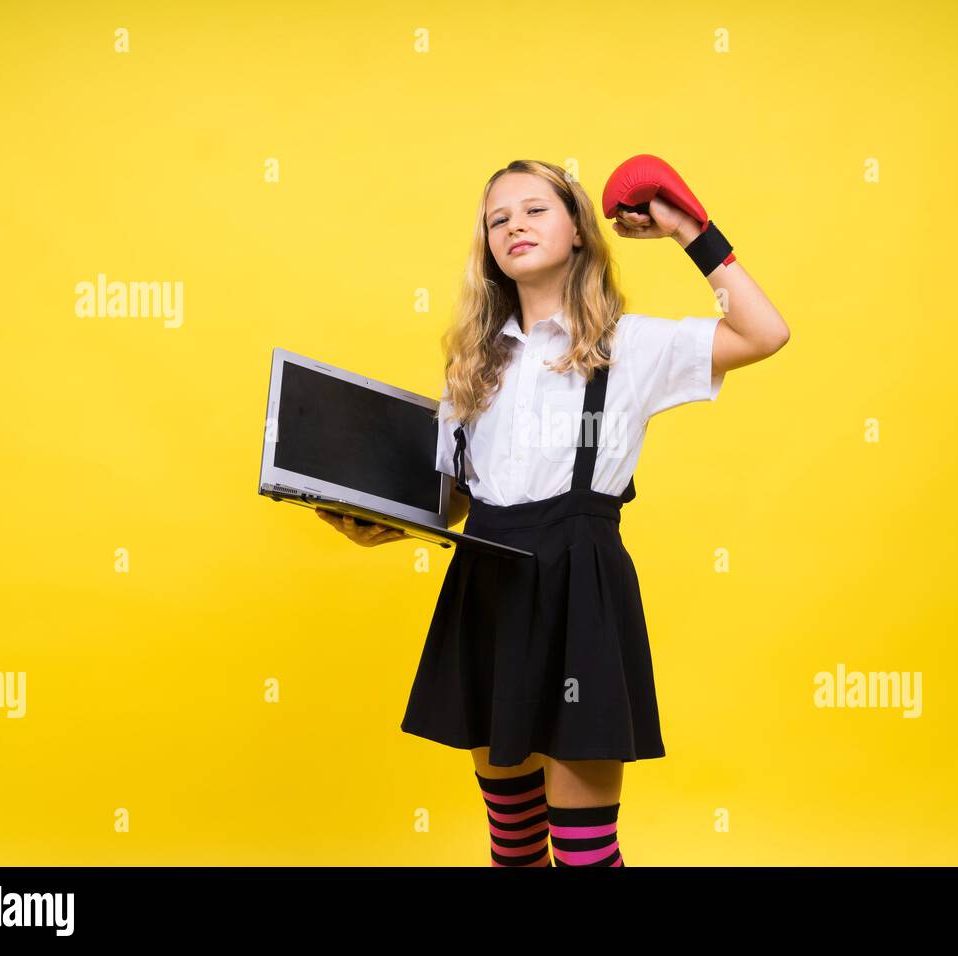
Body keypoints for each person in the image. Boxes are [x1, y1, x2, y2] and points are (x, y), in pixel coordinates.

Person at [318, 158, 788, 866]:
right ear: (488, 248)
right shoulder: (473, 366)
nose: (514, 225)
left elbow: (764, 333)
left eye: (535, 209)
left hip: (581, 588)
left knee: (585, 852)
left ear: (577, 230)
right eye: (498, 218)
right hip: (488, 585)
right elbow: (461, 497)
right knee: (512, 841)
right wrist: (377, 519)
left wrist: (690, 229)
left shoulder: (631, 345)